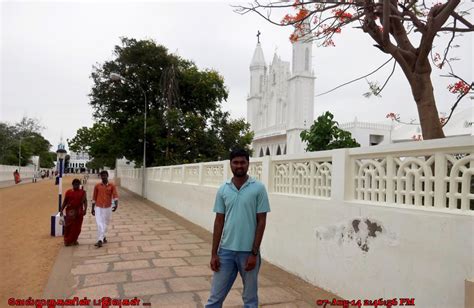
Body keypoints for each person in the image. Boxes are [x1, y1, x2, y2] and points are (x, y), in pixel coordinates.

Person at [206, 149, 270, 308]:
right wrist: (214, 253)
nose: (239, 165)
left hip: (248, 253)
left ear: (248, 163)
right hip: (225, 252)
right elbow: (219, 221)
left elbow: (261, 221)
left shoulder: (258, 188)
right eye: (235, 162)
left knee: (250, 300)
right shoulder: (223, 189)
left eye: (242, 162)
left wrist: (254, 253)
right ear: (230, 164)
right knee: (214, 299)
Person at [92, 170, 118, 248]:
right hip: (98, 207)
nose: (103, 177)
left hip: (108, 207)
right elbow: (94, 197)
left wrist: (116, 205)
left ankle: (103, 236)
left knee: (105, 223)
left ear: (107, 176)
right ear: (100, 176)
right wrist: (92, 208)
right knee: (99, 223)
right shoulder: (97, 186)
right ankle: (100, 240)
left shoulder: (111, 186)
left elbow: (115, 195)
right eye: (102, 175)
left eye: (105, 175)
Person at [60, 179, 87, 246]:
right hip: (70, 212)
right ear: (72, 184)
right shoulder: (68, 192)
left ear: (79, 184)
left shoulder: (82, 192)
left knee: (77, 228)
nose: (76, 185)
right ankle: (67, 241)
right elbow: (65, 201)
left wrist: (85, 209)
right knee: (68, 227)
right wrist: (61, 210)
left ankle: (74, 240)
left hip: (79, 212)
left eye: (77, 184)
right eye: (75, 184)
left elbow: (85, 201)